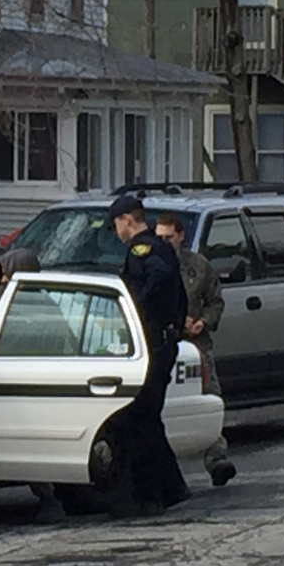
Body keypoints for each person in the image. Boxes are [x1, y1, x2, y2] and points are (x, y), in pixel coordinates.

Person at [105, 194, 190, 517]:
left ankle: (150, 496)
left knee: (139, 417)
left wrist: (133, 309)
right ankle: (173, 486)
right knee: (148, 417)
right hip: (162, 340)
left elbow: (159, 279)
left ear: (127, 219)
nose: (117, 234)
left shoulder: (144, 249)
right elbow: (179, 294)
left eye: (116, 226)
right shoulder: (163, 247)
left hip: (152, 343)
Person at [0, 248, 67, 524]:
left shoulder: (5, 297)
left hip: (9, 380)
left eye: (3, 272)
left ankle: (49, 498)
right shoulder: (47, 302)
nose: (0, 279)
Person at [154, 213, 237, 487]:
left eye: (169, 237)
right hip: (162, 344)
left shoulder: (198, 267)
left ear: (180, 237)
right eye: (159, 238)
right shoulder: (150, 266)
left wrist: (204, 322)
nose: (164, 242)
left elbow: (215, 302)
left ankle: (217, 458)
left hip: (196, 345)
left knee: (210, 397)